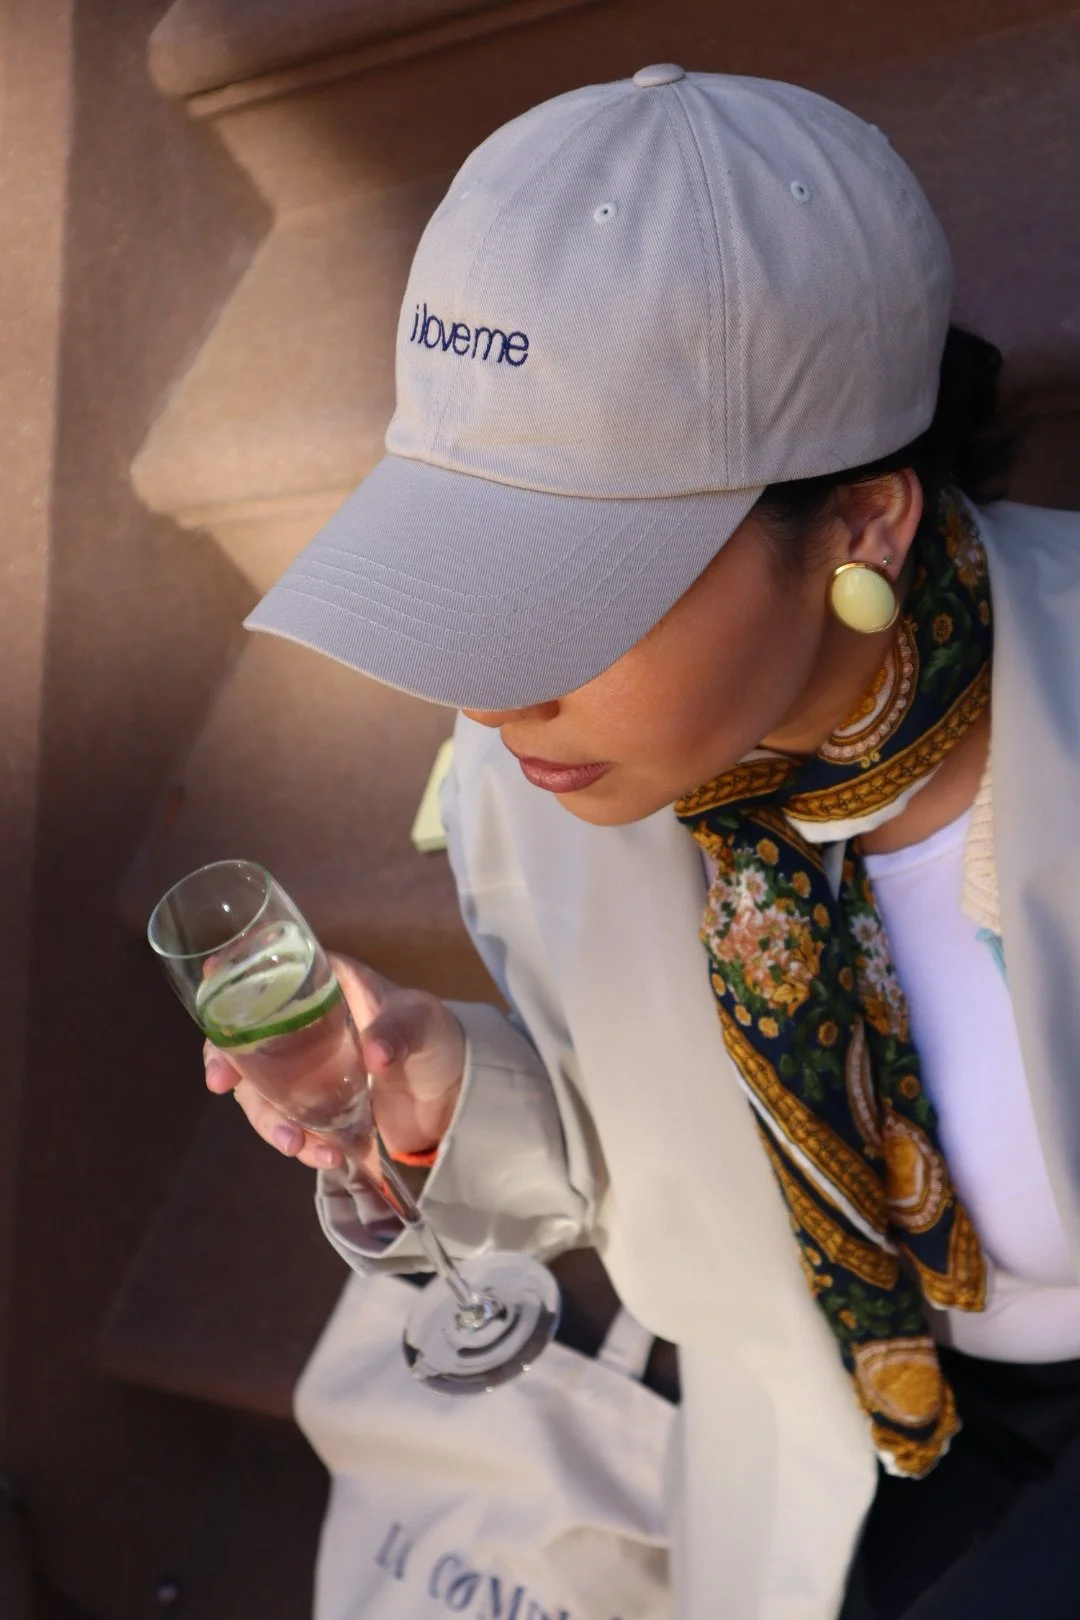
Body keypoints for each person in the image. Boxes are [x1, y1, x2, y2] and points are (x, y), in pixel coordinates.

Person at [202, 65, 1080, 1619]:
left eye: (585, 586)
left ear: (862, 522)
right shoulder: (541, 792)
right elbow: (647, 1187)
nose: (495, 683)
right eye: (470, 574)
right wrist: (444, 1093)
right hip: (851, 1465)